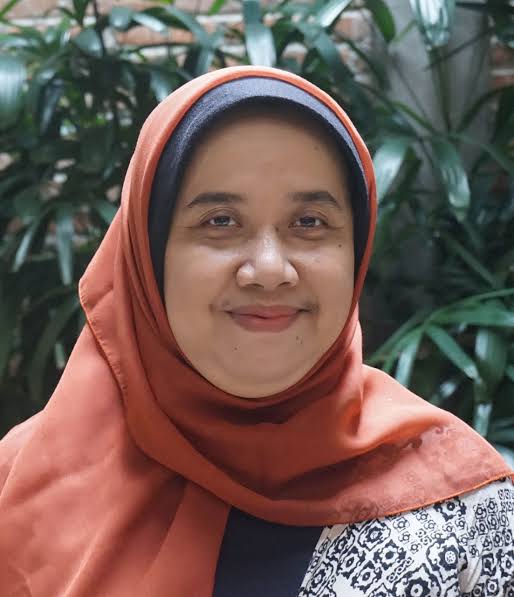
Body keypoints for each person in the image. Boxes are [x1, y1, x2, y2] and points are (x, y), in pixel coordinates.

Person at [0, 65, 512, 597]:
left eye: (310, 222)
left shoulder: (463, 509)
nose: (269, 269)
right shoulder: (18, 481)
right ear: (149, 257)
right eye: (220, 221)